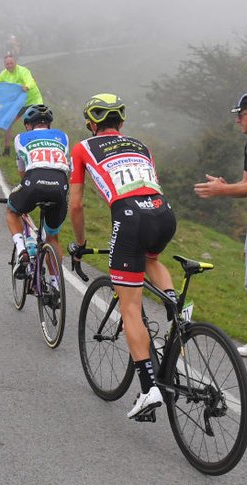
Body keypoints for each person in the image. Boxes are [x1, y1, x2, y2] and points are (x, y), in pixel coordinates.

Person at [67, 93, 177, 420]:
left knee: (130, 305)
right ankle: (179, 314)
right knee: (152, 260)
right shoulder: (142, 145)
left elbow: (75, 205)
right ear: (122, 124)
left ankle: (148, 389)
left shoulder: (83, 148)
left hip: (129, 216)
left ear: (91, 124)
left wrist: (81, 243)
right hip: (163, 213)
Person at [194, 90, 247, 367]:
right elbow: (245, 186)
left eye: (241, 115)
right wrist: (225, 186)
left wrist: (223, 190)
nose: (237, 120)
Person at [7, 104, 70, 280]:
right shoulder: (63, 137)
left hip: (34, 179)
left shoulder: (21, 138)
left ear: (28, 125)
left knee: (12, 211)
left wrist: (24, 194)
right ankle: (56, 284)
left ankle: (21, 250)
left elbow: (23, 172)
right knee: (52, 239)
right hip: (60, 184)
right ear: (49, 125)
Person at [0, 53, 42, 156]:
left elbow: (31, 81)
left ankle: (38, 149)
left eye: (11, 63)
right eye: (7, 64)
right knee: (8, 123)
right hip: (19, 103)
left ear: (15, 62)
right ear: (4, 65)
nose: (9, 66)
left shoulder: (23, 71)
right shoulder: (4, 74)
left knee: (35, 124)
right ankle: (6, 151)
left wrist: (27, 86)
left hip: (33, 100)